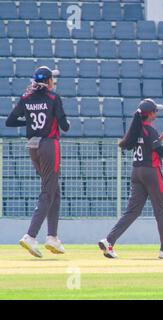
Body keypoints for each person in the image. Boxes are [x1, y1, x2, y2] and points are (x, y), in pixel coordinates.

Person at [98, 99, 163, 259]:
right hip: (151, 172)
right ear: (150, 114)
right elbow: (160, 153)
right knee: (161, 210)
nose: (157, 113)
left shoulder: (137, 129)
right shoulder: (149, 129)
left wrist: (160, 139)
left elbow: (147, 146)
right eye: (155, 111)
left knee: (132, 211)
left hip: (137, 171)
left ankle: (109, 240)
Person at [6, 66, 70, 258]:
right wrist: (59, 121)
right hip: (49, 145)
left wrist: (29, 122)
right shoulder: (53, 98)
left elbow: (9, 121)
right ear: (49, 81)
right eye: (53, 79)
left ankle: (52, 237)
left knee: (54, 191)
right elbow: (64, 126)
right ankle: (31, 236)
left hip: (32, 146)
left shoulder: (26, 98)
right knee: (48, 191)